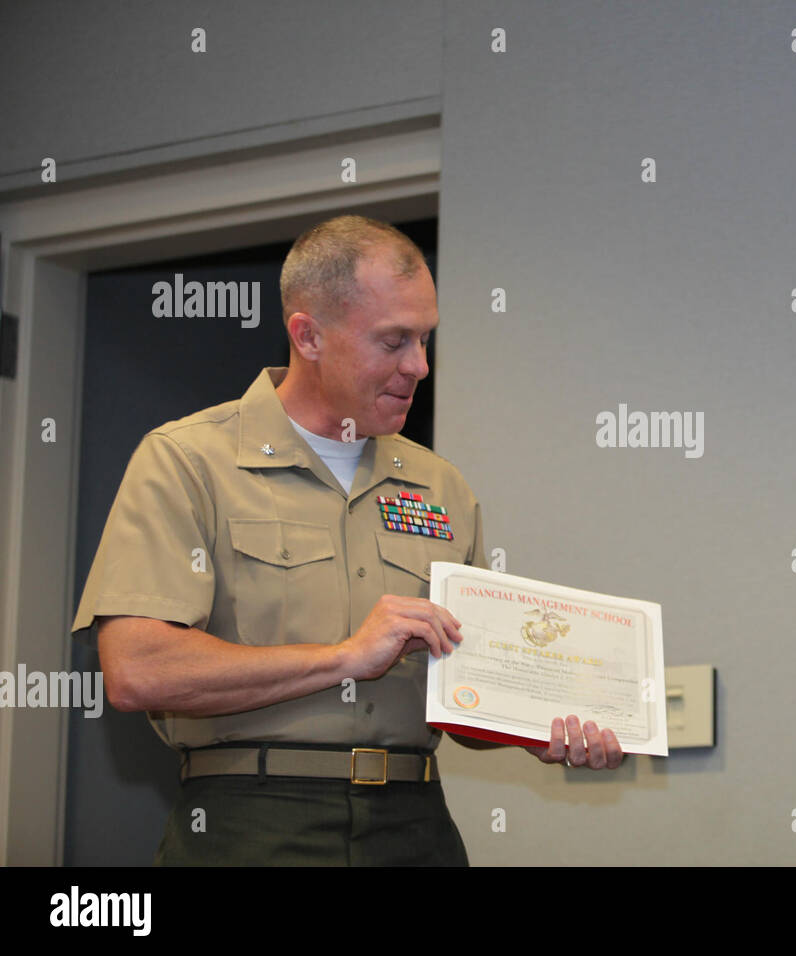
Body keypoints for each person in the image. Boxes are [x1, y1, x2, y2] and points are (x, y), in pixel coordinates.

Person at [72, 215, 623, 866]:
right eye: (393, 341)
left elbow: (470, 687)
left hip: (416, 825)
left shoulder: (440, 485)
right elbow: (138, 670)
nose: (418, 366)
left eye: (425, 339)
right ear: (308, 335)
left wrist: (540, 727)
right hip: (252, 819)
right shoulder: (189, 462)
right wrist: (343, 657)